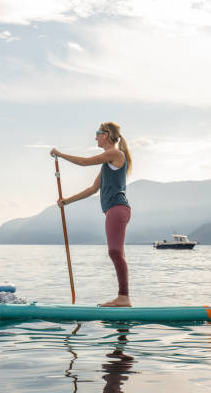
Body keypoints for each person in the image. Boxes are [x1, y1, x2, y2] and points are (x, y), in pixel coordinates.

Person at [50, 122, 132, 307]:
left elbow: (85, 162)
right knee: (116, 252)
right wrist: (66, 201)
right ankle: (123, 297)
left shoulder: (116, 154)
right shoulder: (107, 164)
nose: (95, 137)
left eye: (98, 133)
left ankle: (123, 297)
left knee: (115, 252)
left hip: (118, 209)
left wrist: (60, 154)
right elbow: (92, 189)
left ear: (107, 134)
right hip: (114, 210)